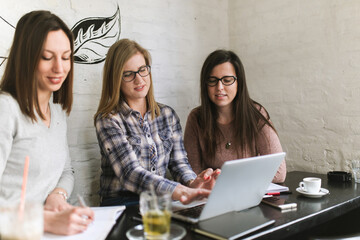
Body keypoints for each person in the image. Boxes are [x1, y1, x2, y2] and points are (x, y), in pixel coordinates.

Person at [94, 39, 220, 207]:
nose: (139, 80)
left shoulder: (167, 115)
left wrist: (192, 183)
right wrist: (181, 191)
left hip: (159, 201)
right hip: (122, 203)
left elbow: (179, 163)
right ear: (116, 79)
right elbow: (130, 173)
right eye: (128, 74)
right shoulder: (108, 119)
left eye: (142, 70)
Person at [0, 10, 94, 235]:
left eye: (65, 57)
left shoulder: (58, 113)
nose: (59, 68)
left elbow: (66, 171)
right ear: (26, 57)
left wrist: (57, 195)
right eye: (46, 57)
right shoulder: (6, 109)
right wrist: (45, 221)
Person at [184, 49, 286, 183]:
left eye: (227, 80)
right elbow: (192, 174)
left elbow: (279, 172)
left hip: (248, 196)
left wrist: (226, 179)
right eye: (212, 80)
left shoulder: (256, 114)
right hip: (212, 196)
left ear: (239, 82)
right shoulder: (196, 118)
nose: (219, 87)